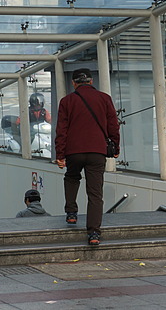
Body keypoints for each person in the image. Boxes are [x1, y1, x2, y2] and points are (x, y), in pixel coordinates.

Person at [55, 68, 120, 246]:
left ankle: (71, 213)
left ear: (74, 83)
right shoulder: (104, 98)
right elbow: (113, 125)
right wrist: (115, 146)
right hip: (97, 152)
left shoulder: (67, 101)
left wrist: (60, 155)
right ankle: (93, 233)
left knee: (71, 177)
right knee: (95, 193)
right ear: (91, 82)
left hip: (74, 152)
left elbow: (61, 130)